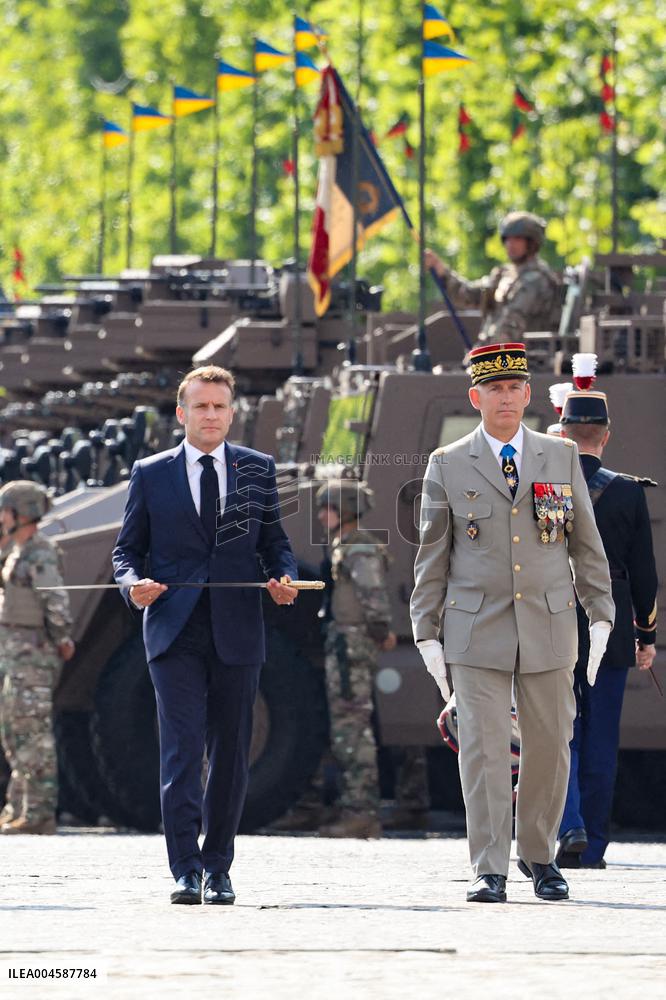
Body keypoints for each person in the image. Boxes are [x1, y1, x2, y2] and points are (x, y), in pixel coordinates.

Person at [410, 342, 614, 903]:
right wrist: (425, 630)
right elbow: (434, 556)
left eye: (514, 388)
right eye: (493, 390)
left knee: (550, 748)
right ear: (475, 397)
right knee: (483, 749)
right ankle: (489, 866)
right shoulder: (448, 463)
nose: (505, 398)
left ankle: (540, 855)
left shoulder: (560, 456)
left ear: (528, 394)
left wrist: (601, 616)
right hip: (477, 630)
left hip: (549, 626)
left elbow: (585, 546)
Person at [112, 365, 298, 905]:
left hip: (237, 628)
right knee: (182, 751)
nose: (211, 415)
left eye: (219, 406)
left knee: (232, 753)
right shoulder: (150, 473)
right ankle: (185, 869)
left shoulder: (258, 470)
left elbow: (275, 543)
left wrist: (283, 576)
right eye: (201, 406)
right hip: (174, 629)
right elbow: (126, 551)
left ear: (232, 412)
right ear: (182, 413)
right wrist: (132, 586)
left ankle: (218, 865)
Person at [556, 387, 658, 869]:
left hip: (554, 622)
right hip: (612, 627)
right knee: (601, 740)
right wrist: (647, 637)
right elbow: (645, 575)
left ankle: (566, 824)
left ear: (560, 434)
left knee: (559, 733)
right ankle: (592, 845)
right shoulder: (628, 491)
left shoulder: (544, 487)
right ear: (607, 436)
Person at [315, 480, 405, 838]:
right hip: (346, 641)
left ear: (345, 510)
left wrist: (380, 631)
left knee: (352, 728)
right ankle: (356, 808)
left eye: (328, 508)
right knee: (347, 727)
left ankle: (361, 812)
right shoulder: (347, 546)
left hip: (352, 644)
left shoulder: (358, 549)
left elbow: (373, 596)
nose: (322, 515)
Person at [0, 481, 75, 835]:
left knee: (34, 733)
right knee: (13, 731)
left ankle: (40, 813)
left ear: (22, 514)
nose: (1, 517)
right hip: (14, 653)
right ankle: (18, 806)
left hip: (33, 654)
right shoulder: (17, 550)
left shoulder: (40, 552)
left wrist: (61, 637)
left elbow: (55, 601)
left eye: (6, 511)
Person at [425, 212, 560, 347]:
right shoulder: (503, 275)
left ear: (532, 243)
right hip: (498, 355)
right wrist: (441, 270)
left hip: (521, 359)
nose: (510, 244)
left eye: (517, 239)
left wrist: (485, 356)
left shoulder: (536, 280)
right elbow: (469, 295)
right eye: (507, 239)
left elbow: (511, 326)